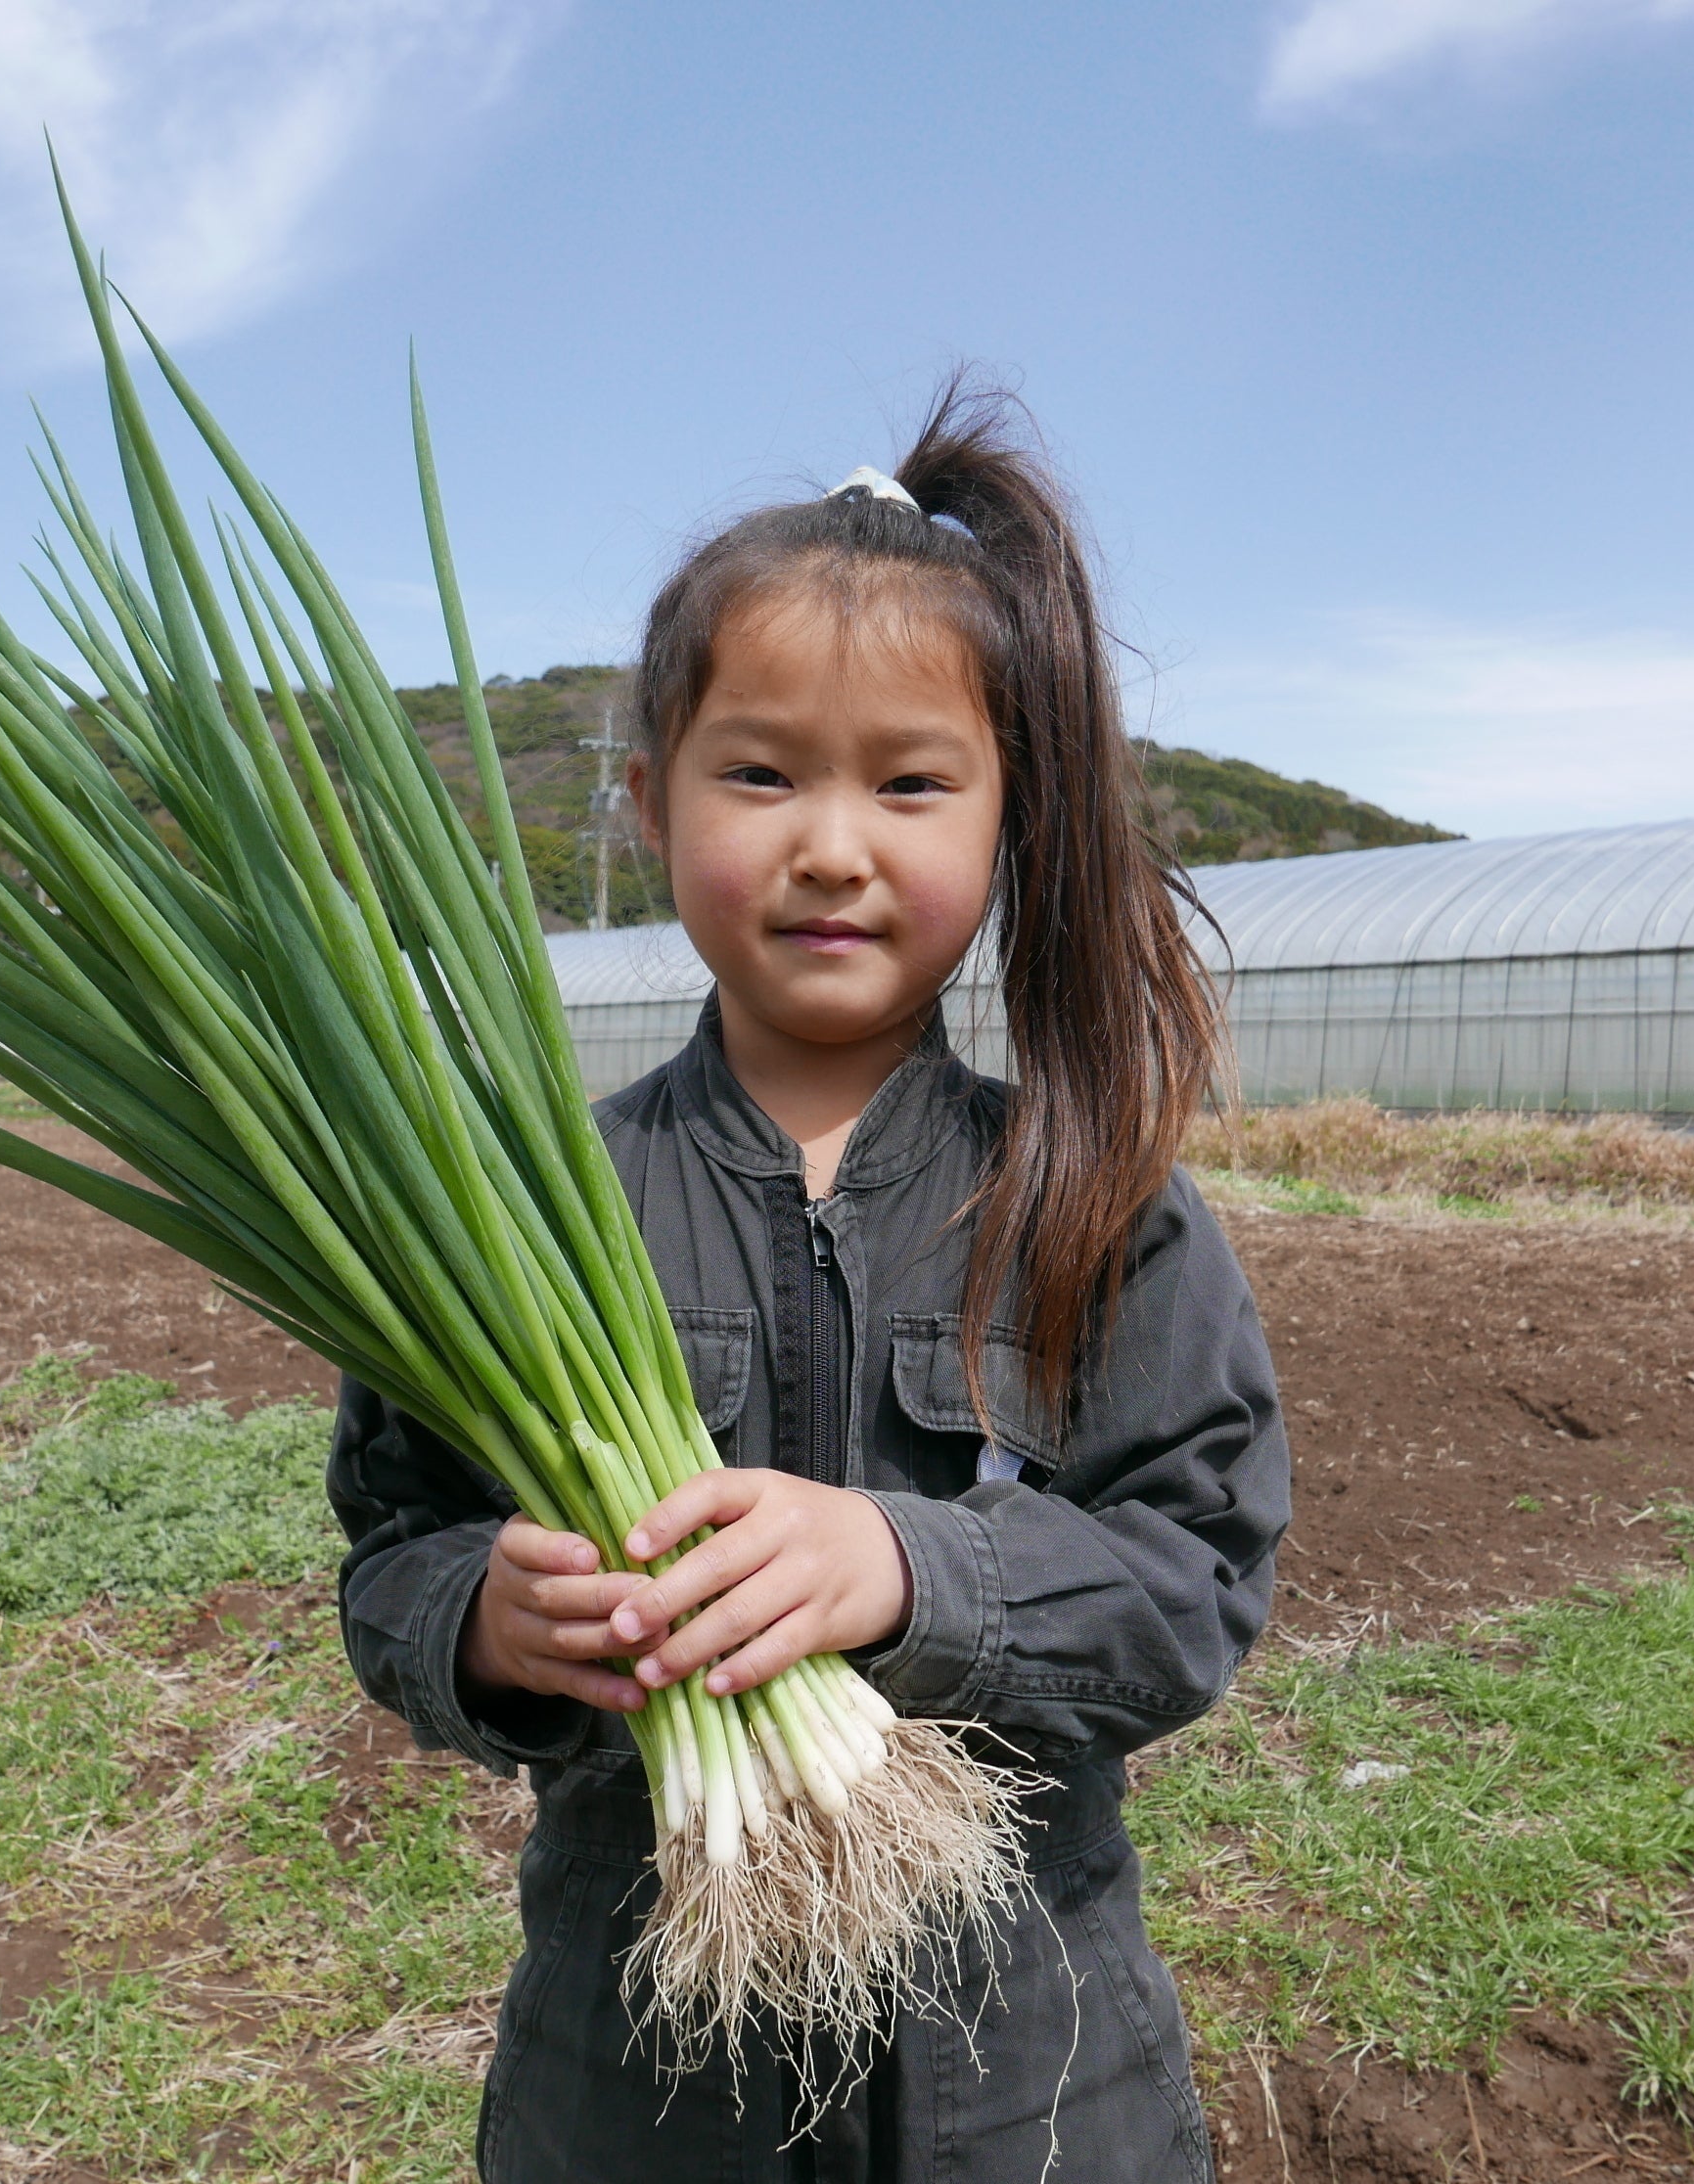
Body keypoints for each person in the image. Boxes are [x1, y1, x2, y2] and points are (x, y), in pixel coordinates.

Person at [327, 378, 1290, 2183]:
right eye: (759, 773)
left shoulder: (1097, 1204)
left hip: (1034, 2088)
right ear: (649, 800)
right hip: (640, 2089)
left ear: (1011, 819)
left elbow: (1196, 1578)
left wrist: (908, 1567)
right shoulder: (526, 1211)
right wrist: (481, 1622)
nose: (832, 844)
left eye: (912, 783)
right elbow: (391, 1546)